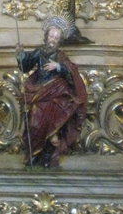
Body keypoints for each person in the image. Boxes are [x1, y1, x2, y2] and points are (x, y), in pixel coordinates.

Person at [16, 15, 87, 167]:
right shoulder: (39, 52)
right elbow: (26, 65)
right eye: (51, 36)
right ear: (46, 36)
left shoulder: (61, 56)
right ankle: (34, 156)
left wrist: (58, 66)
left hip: (56, 95)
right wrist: (20, 54)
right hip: (39, 93)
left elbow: (71, 72)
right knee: (34, 123)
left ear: (59, 40)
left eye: (56, 37)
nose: (53, 40)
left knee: (53, 127)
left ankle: (48, 156)